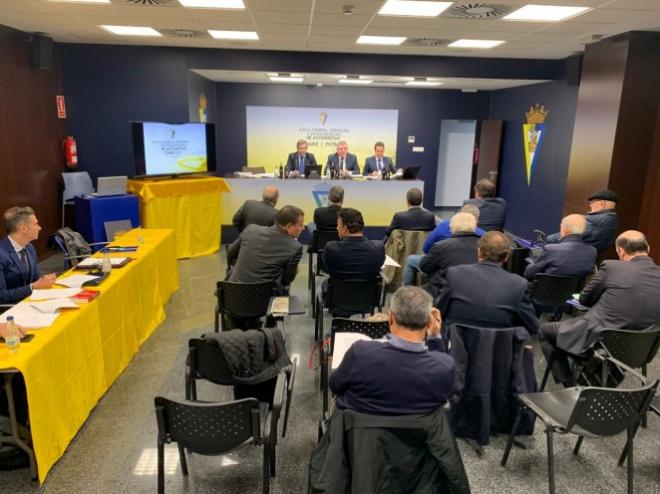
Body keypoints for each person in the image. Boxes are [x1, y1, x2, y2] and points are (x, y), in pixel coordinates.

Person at [538, 230, 660, 386]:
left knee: (545, 332)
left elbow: (584, 299)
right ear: (647, 249)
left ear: (620, 251)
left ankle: (569, 384)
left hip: (599, 342)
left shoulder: (612, 267)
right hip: (640, 350)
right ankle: (592, 376)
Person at [329, 286, 454, 415]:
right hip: (416, 434)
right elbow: (442, 378)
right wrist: (434, 337)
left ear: (390, 318)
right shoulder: (444, 366)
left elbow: (335, 385)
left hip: (360, 433)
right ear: (429, 323)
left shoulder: (360, 353)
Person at [436, 231, 539, 335]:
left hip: (456, 346)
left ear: (479, 252)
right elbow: (533, 327)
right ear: (507, 256)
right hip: (498, 349)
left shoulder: (454, 274)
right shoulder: (519, 285)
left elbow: (439, 311)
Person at [227, 205, 304, 293]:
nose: (303, 228)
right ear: (289, 226)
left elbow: (230, 253)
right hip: (265, 301)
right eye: (301, 225)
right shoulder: (295, 247)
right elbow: (286, 281)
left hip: (231, 296)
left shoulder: (251, 230)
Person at [403, 204, 485, 286]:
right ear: (476, 219)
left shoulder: (443, 227)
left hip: (442, 277)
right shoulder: (483, 236)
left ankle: (406, 293)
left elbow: (426, 249)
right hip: (473, 279)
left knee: (411, 259)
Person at [0, 207, 56, 304]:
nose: (39, 227)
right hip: (9, 310)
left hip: (30, 301)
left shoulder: (29, 247)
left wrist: (43, 281)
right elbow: (2, 296)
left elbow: (35, 279)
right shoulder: (1, 254)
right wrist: (33, 287)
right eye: (36, 224)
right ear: (24, 229)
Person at [419, 212, 480, 297]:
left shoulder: (441, 246)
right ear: (475, 226)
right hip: (475, 292)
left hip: (442, 293)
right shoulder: (483, 245)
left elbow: (424, 267)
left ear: (452, 227)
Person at [524, 214, 597, 281]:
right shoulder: (592, 252)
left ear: (565, 229)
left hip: (542, 293)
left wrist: (533, 262)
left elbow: (529, 274)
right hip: (572, 293)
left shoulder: (551, 249)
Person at [545, 189, 618, 254]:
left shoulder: (597, 220)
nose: (590, 205)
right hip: (587, 257)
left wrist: (546, 239)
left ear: (602, 203)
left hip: (572, 256)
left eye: (591, 202)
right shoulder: (612, 220)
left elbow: (570, 234)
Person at [322, 208, 385, 281]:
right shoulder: (378, 248)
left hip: (338, 291)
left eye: (338, 225)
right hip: (367, 291)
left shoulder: (331, 249)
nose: (337, 228)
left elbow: (326, 266)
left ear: (345, 228)